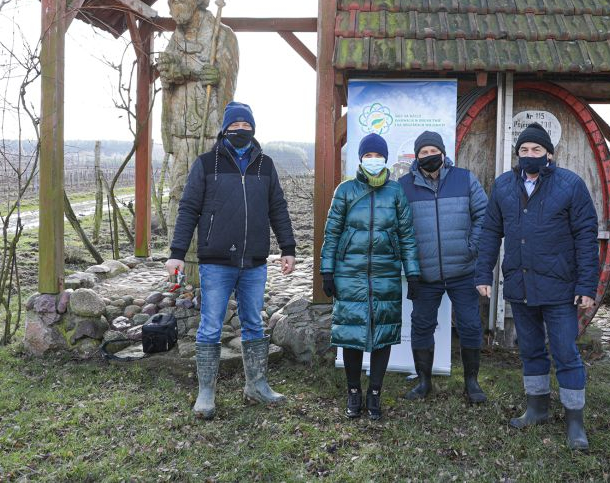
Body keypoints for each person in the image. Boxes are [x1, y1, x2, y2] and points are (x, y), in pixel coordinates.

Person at [166, 101, 297, 420]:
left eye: (246, 126)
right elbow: (188, 209)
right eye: (235, 126)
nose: (241, 131)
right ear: (224, 129)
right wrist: (176, 254)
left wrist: (288, 247)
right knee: (210, 326)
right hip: (216, 262)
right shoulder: (207, 164)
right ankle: (206, 393)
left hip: (254, 262)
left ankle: (257, 385)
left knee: (254, 322)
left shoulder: (265, 165)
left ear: (253, 129)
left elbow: (277, 207)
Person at [475, 122, 599, 450]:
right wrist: (482, 274)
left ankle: (575, 422)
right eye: (524, 150)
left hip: (559, 287)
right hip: (520, 283)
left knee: (565, 352)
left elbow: (586, 236)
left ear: (549, 154)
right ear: (518, 154)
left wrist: (587, 284)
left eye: (537, 150)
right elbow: (490, 232)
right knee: (530, 350)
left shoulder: (570, 185)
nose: (530, 155)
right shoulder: (503, 186)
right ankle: (537, 408)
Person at [320, 133, 421, 421]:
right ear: (361, 159)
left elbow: (407, 237)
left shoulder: (396, 192)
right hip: (349, 272)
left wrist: (412, 273)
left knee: (383, 334)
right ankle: (354, 392)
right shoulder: (346, 191)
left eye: (378, 156)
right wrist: (327, 270)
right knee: (351, 334)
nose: (373, 160)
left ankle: (374, 393)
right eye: (368, 156)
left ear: (385, 159)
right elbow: (332, 234)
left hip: (385, 273)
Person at [398, 130, 489, 404]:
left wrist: (471, 246)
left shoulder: (465, 179)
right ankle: (424, 382)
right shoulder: (404, 186)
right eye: (423, 153)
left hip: (463, 270)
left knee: (471, 325)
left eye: (433, 151)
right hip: (425, 275)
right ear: (416, 157)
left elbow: (483, 215)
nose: (429, 156)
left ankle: (471, 383)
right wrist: (411, 264)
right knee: (422, 325)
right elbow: (400, 228)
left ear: (443, 153)